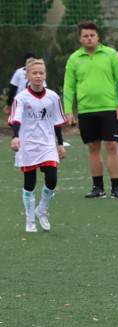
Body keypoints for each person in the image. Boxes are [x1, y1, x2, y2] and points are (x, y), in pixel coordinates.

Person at [63, 20, 118, 199]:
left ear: (98, 37)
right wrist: (68, 110)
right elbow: (68, 87)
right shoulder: (74, 59)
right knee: (92, 147)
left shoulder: (111, 55)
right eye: (85, 36)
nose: (89, 38)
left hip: (109, 108)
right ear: (80, 39)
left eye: (92, 35)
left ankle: (117, 187)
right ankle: (97, 188)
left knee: (112, 145)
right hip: (86, 110)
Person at [7, 59, 66, 232]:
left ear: (45, 75)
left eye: (41, 73)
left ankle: (42, 210)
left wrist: (60, 144)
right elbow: (16, 119)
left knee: (52, 179)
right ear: (27, 76)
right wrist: (15, 137)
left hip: (47, 144)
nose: (38, 76)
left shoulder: (53, 97)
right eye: (34, 73)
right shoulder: (21, 98)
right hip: (28, 145)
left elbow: (57, 122)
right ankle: (30, 219)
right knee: (30, 182)